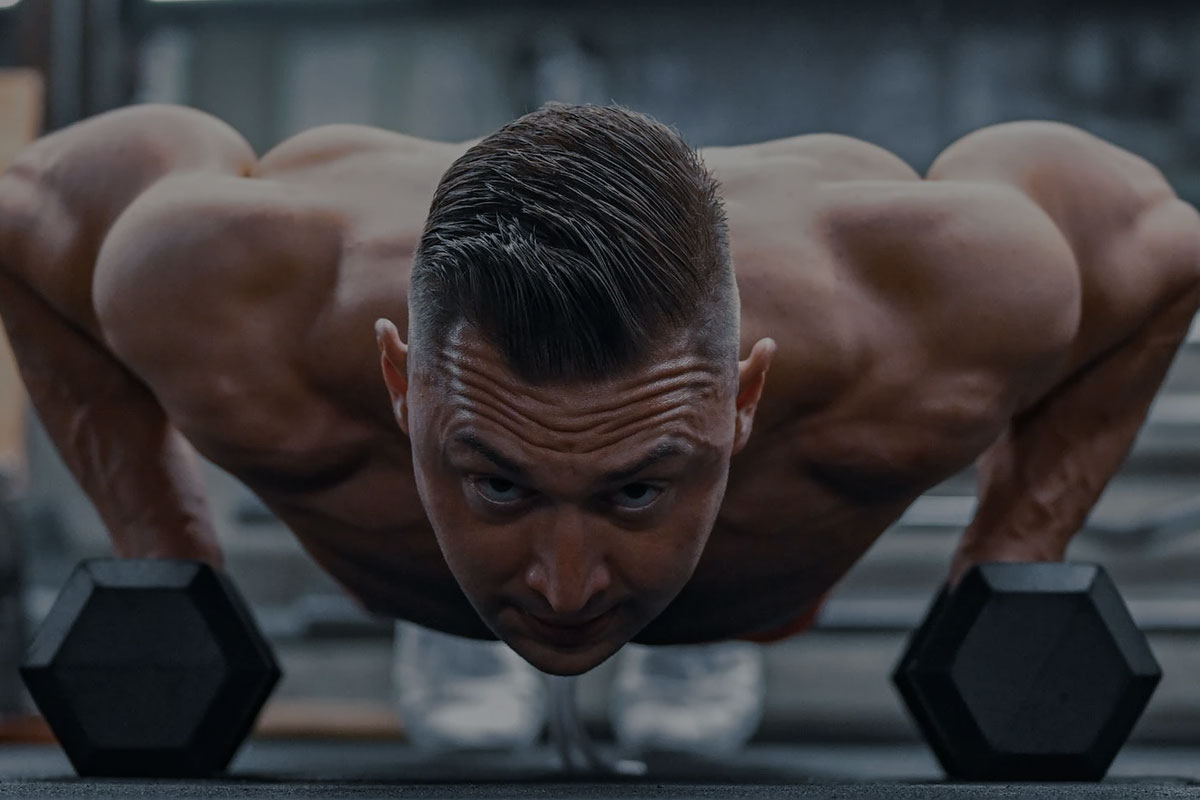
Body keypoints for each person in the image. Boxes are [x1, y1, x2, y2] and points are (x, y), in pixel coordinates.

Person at [0, 103, 1197, 755]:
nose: (566, 583)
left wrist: (1011, 560)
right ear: (401, 383)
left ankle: (678, 610)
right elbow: (22, 217)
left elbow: (1164, 255)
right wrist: (166, 554)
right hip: (407, 528)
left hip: (758, 563)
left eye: (635, 489)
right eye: (500, 483)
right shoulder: (231, 285)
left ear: (742, 401)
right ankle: (472, 615)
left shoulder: (932, 305)